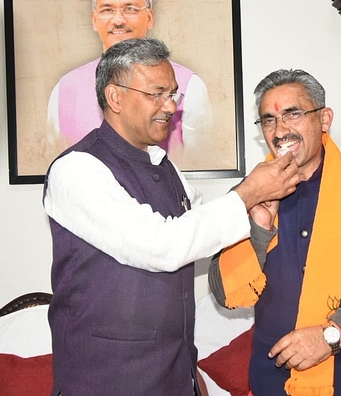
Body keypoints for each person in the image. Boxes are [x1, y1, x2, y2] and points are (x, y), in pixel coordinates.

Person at [42, 38, 301, 395]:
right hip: (106, 382)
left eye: (173, 94)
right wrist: (247, 193)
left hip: (174, 377)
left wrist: (255, 213)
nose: (170, 106)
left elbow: (196, 235)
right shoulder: (76, 170)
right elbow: (161, 246)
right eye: (157, 94)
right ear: (115, 97)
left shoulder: (166, 168)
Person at [208, 69, 341, 396]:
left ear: (324, 119)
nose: (279, 130)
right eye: (268, 120)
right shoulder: (249, 193)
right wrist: (259, 228)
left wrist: (330, 335)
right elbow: (223, 292)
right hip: (276, 379)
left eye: (293, 114)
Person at [47, 0, 212, 157]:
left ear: (149, 18)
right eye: (107, 10)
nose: (118, 20)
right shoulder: (64, 91)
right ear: (94, 20)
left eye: (130, 9)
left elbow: (200, 161)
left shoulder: (190, 87)